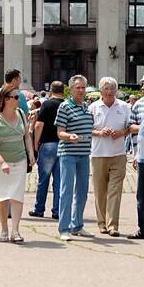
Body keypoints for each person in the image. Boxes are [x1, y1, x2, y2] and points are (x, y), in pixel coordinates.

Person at [0, 83, 33, 243]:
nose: (18, 100)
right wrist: (2, 161)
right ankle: (4, 228)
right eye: (15, 97)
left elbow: (26, 135)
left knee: (17, 196)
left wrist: (31, 154)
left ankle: (15, 230)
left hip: (19, 160)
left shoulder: (20, 113)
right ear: (6, 99)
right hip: (0, 162)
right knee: (1, 196)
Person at [89, 76, 134, 237]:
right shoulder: (93, 107)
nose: (109, 92)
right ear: (101, 90)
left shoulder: (124, 106)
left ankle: (112, 225)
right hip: (98, 154)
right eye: (106, 89)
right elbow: (87, 129)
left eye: (112, 89)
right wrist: (99, 132)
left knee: (115, 190)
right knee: (100, 191)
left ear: (116, 91)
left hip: (118, 154)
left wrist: (121, 132)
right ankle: (101, 223)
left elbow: (130, 127)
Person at [0, 71, 28, 216]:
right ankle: (8, 211)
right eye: (19, 79)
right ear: (15, 80)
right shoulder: (18, 96)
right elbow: (24, 115)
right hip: (11, 138)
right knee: (10, 180)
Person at [54, 75, 94, 239]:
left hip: (84, 154)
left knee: (82, 191)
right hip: (68, 153)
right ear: (70, 90)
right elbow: (60, 132)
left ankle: (77, 225)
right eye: (78, 88)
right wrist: (69, 136)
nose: (81, 90)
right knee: (67, 191)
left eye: (83, 87)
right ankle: (64, 228)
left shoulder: (86, 107)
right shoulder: (64, 106)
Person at [30, 81, 65, 220]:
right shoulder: (66, 105)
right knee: (59, 181)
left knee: (43, 179)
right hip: (63, 144)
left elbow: (39, 125)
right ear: (63, 91)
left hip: (48, 144)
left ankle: (39, 209)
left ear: (51, 90)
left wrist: (35, 143)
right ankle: (57, 211)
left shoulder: (47, 104)